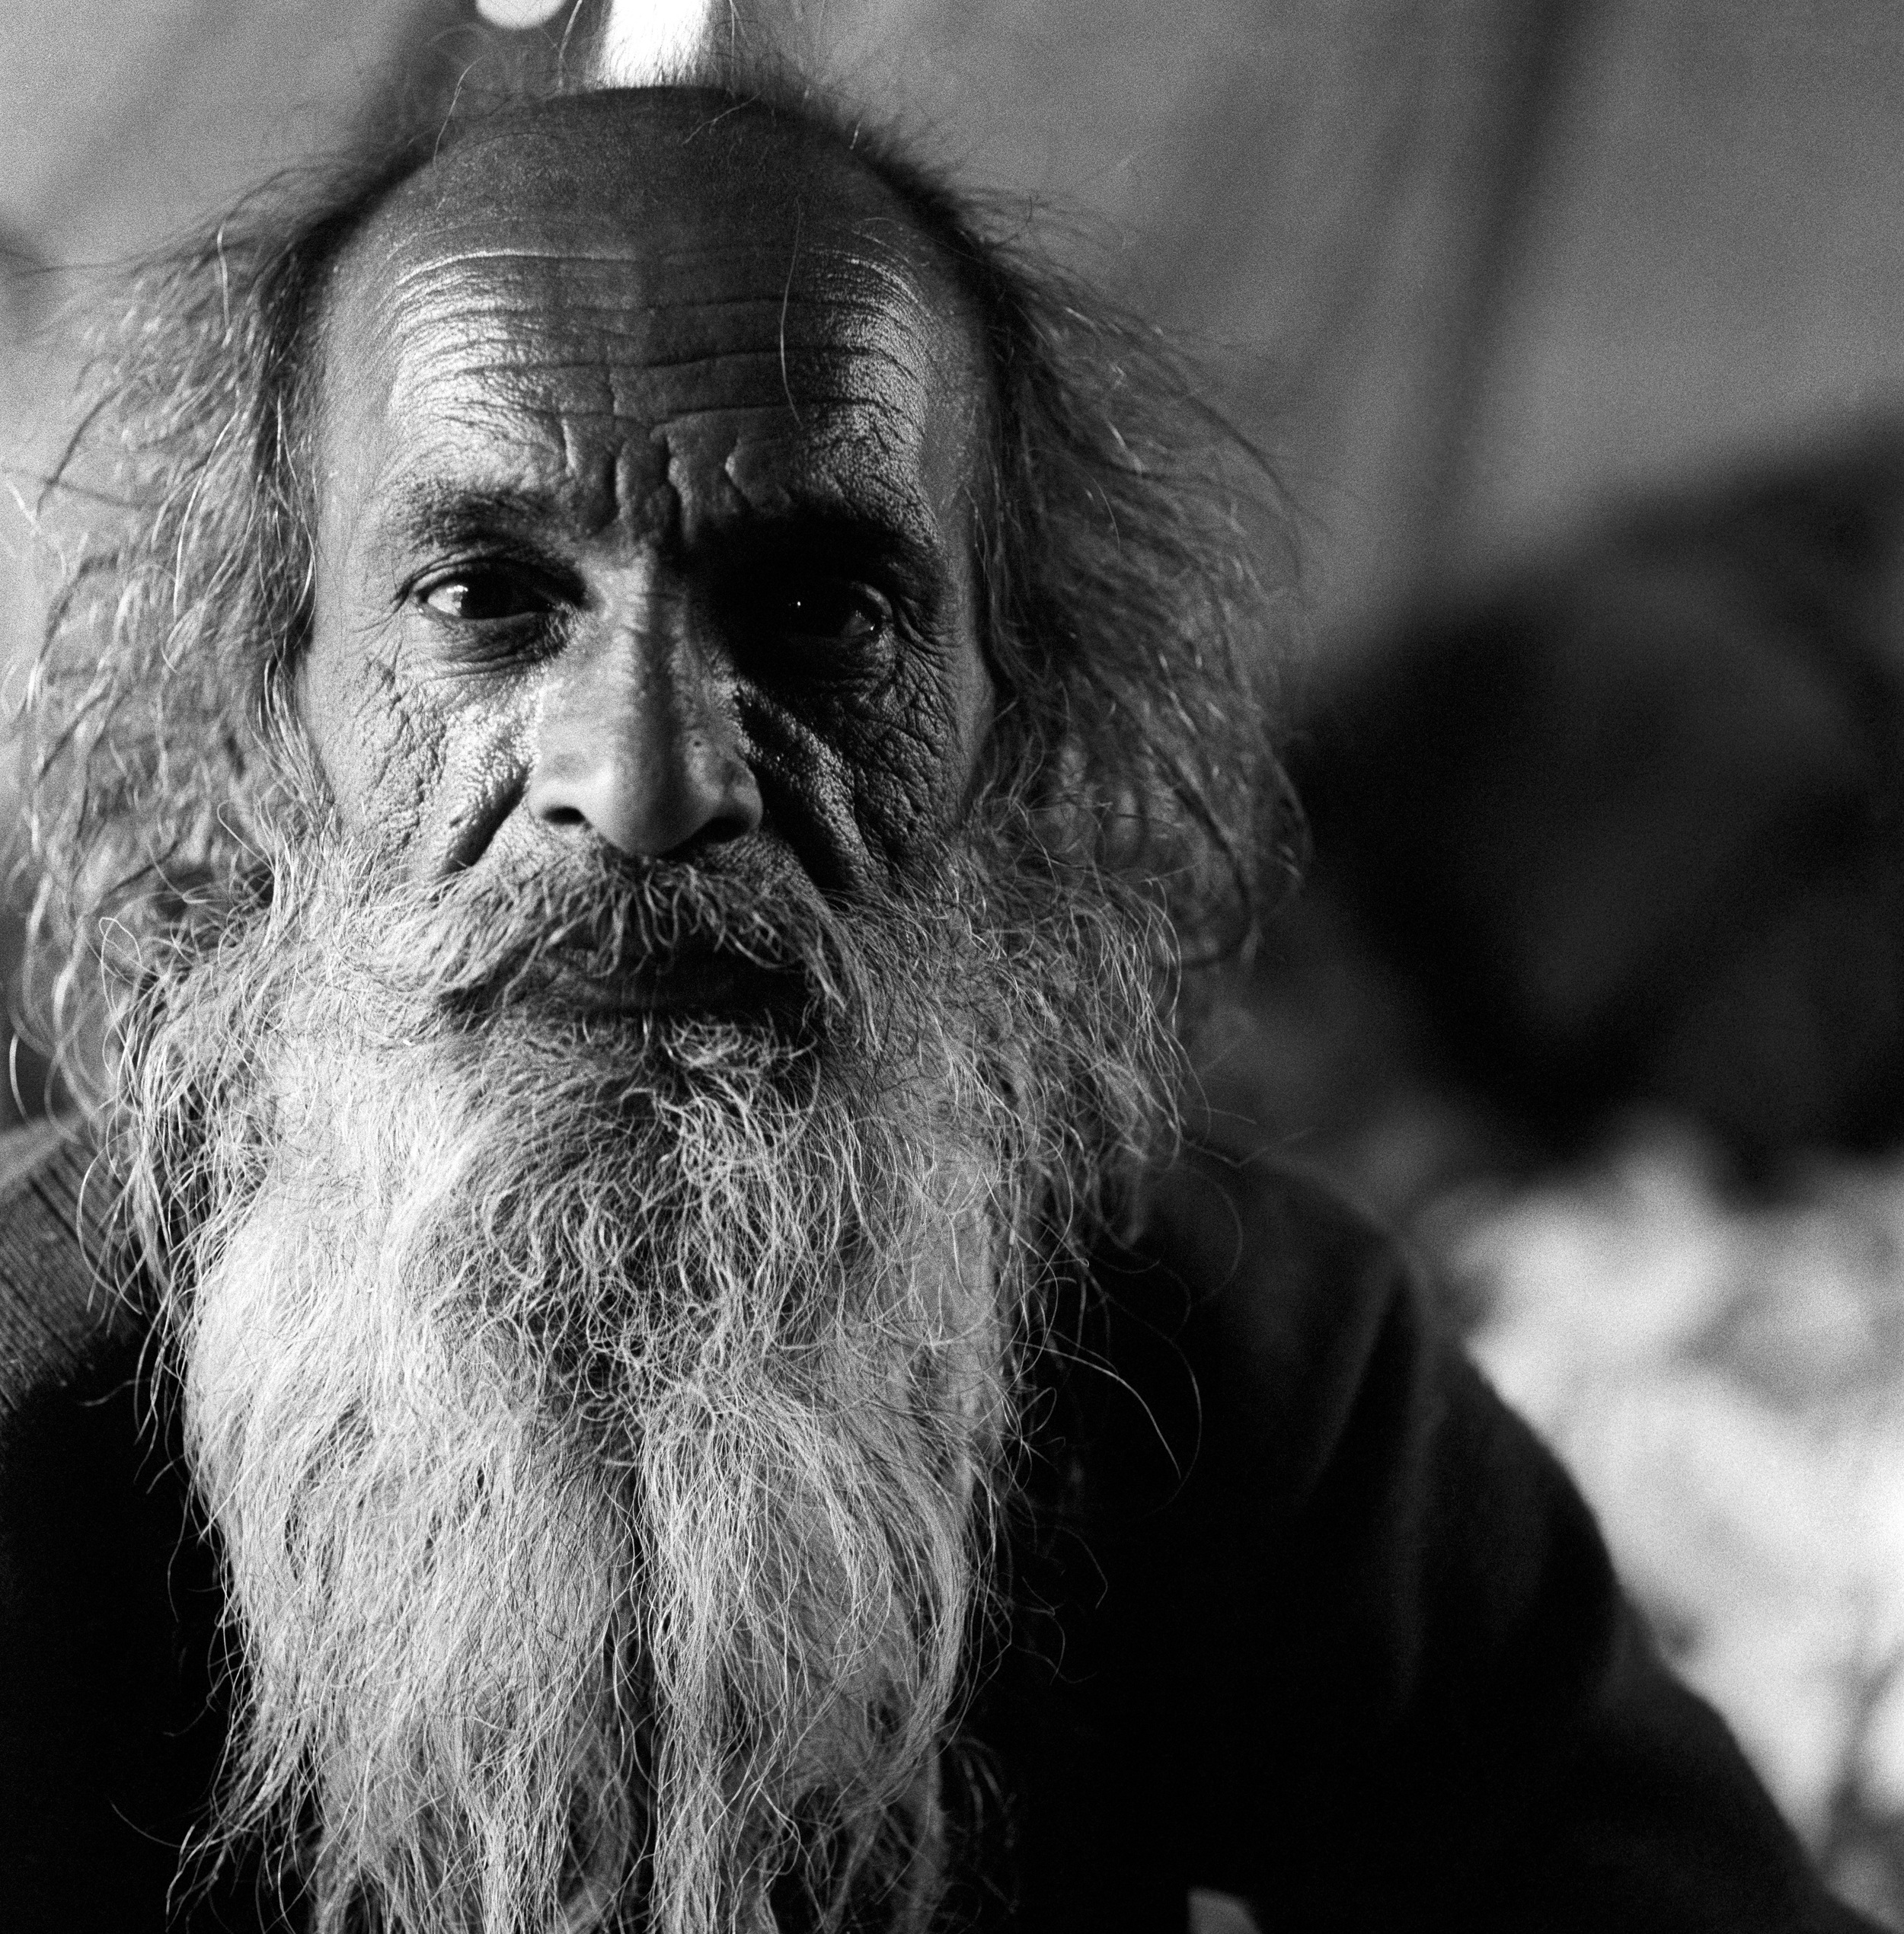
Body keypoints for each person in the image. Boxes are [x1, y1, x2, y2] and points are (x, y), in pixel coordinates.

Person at [0, 77, 1877, 1934]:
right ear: (271, 718)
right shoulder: (30, 1389)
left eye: (819, 608)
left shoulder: (1244, 1362)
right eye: (486, 595)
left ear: (1017, 725)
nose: (646, 783)